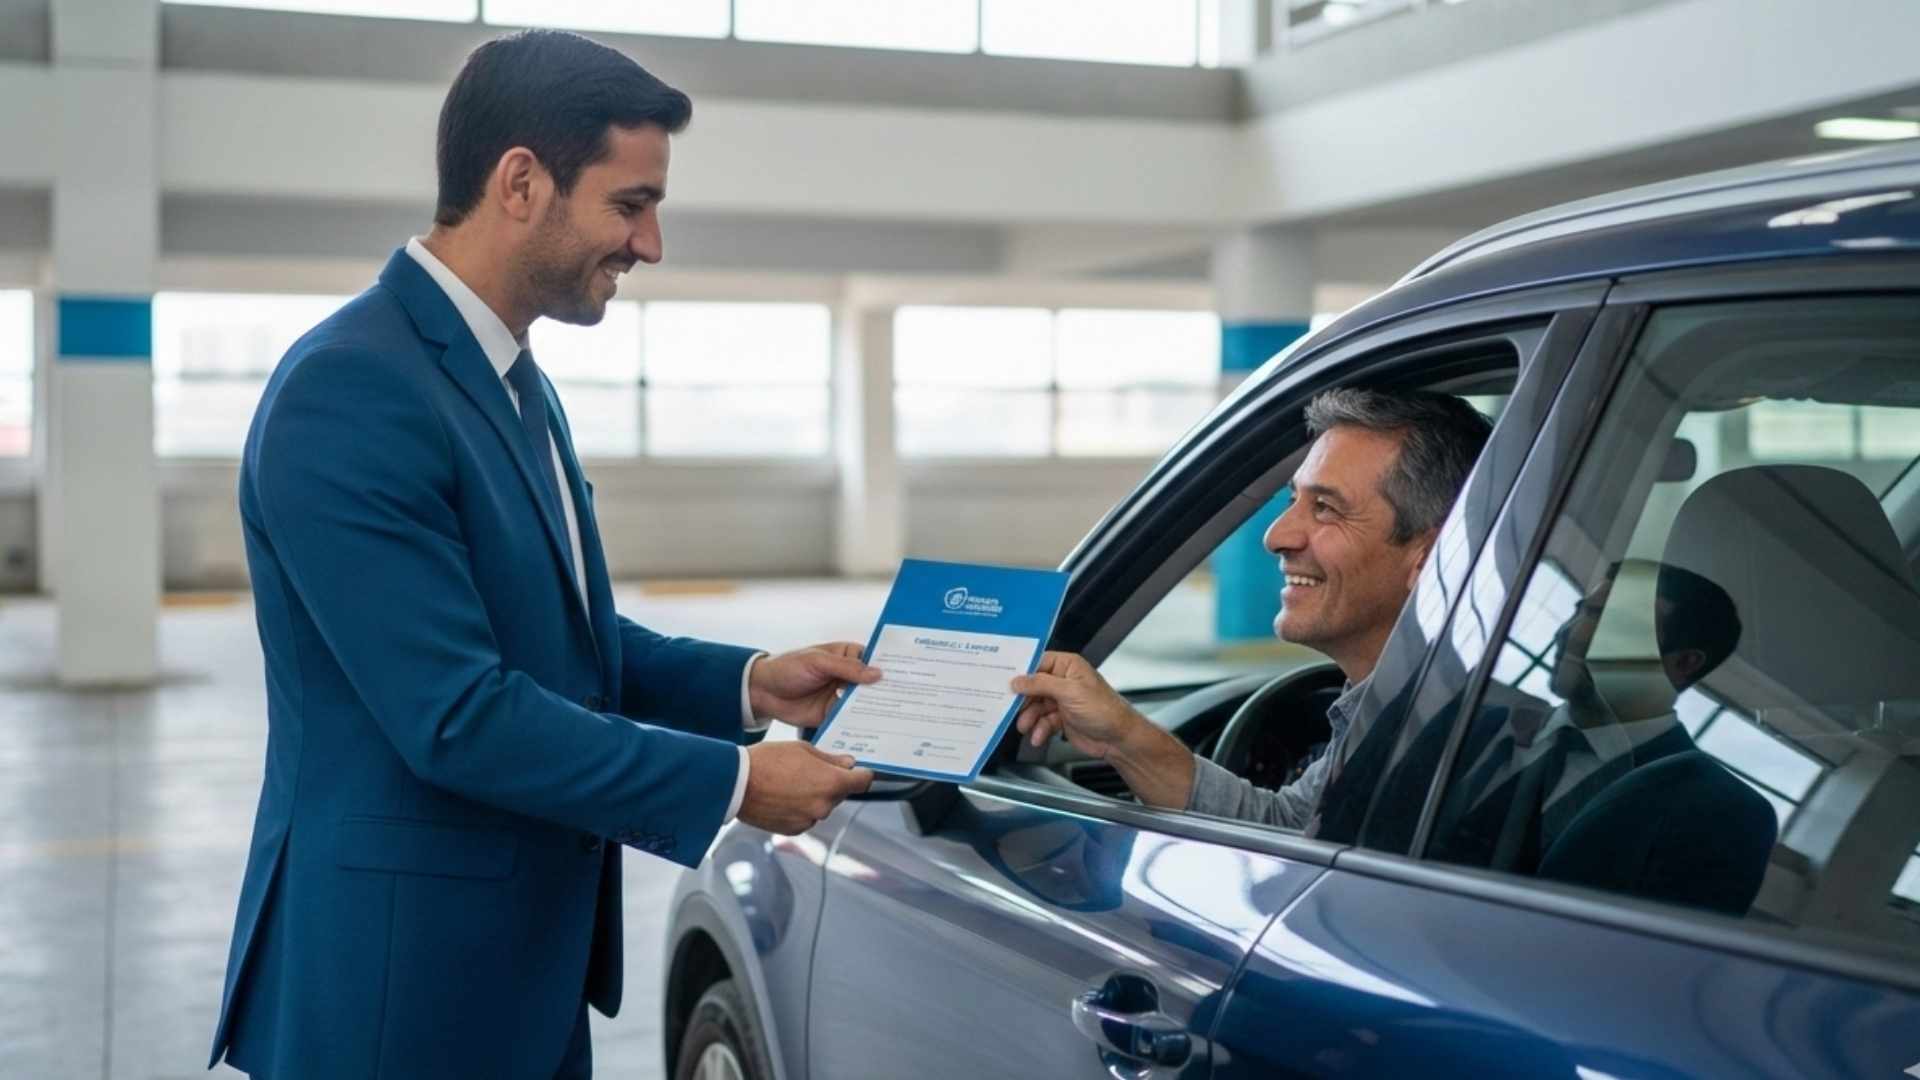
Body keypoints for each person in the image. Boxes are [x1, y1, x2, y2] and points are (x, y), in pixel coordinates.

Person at [208, 30, 875, 1079]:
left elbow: (548, 631)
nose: (650, 244)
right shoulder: (350, 391)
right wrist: (736, 783)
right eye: (628, 204)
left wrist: (750, 685)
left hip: (517, 970)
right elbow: (456, 713)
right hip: (395, 989)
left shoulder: (515, 380)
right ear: (521, 182)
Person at [1012, 387, 1491, 830]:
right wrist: (1121, 735)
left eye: (1325, 508)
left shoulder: (1448, 740)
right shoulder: (1404, 703)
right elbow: (1291, 831)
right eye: (1293, 500)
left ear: (1429, 556)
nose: (1276, 536)